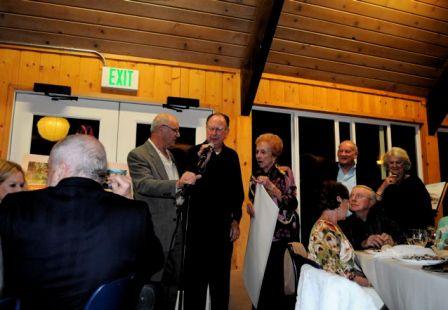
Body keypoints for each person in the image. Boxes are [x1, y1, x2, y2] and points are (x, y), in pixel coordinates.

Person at [0, 134, 164, 309]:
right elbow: (154, 262)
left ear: (61, 169)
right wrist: (127, 203)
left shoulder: (15, 205)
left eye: (49, 169)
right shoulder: (133, 212)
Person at [127, 113, 198, 309]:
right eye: (175, 130)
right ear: (161, 130)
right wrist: (178, 183)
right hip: (156, 233)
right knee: (151, 286)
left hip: (177, 233)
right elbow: (143, 184)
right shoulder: (139, 154)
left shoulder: (172, 156)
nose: (178, 134)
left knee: (172, 286)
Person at [183, 112, 244, 310]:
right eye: (210, 128)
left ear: (226, 132)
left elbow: (238, 194)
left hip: (222, 230)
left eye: (219, 129)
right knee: (195, 285)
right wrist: (203, 161)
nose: (214, 133)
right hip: (196, 229)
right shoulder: (193, 153)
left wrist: (236, 221)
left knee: (220, 284)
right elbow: (186, 188)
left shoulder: (232, 156)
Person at [246, 133, 299, 310]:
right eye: (257, 152)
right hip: (260, 236)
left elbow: (292, 203)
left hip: (278, 237)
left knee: (275, 284)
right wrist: (250, 207)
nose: (258, 156)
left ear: (274, 155)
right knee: (258, 281)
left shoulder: (284, 174)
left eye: (263, 152)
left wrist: (271, 187)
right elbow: (251, 199)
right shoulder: (255, 175)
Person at [308, 181, 369, 287]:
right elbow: (333, 272)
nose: (349, 206)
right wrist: (367, 282)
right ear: (339, 200)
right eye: (347, 201)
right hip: (338, 290)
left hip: (341, 285)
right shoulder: (324, 230)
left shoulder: (331, 226)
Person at [375, 147, 434, 230]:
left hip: (413, 229)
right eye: (391, 162)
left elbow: (426, 208)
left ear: (405, 164)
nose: (395, 165)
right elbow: (374, 205)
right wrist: (383, 186)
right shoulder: (383, 183)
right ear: (387, 165)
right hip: (389, 231)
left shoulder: (414, 182)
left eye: (398, 162)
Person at [340, 185, 404, 250]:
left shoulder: (385, 221)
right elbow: (341, 247)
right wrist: (363, 243)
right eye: (351, 196)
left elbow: (403, 240)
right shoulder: (343, 223)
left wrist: (393, 242)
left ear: (371, 202)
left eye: (359, 196)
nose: (353, 199)